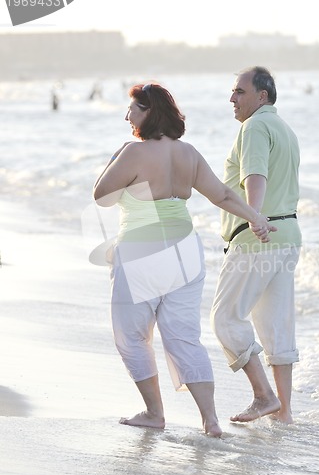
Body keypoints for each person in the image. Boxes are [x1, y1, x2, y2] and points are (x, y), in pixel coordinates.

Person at [93, 82, 276, 437]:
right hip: (185, 253)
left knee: (131, 336)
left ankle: (154, 412)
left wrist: (118, 155)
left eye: (133, 108)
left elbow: (101, 195)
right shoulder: (189, 153)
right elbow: (222, 194)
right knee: (183, 338)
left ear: (149, 113)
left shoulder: (133, 152)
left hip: (141, 254)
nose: (127, 114)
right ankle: (210, 420)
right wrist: (255, 218)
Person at [210, 66, 302, 424]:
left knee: (224, 319)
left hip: (257, 239)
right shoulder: (285, 129)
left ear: (262, 95)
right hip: (287, 238)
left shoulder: (255, 126)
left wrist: (254, 216)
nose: (232, 98)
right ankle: (285, 415)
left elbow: (256, 176)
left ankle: (264, 397)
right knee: (276, 327)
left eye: (239, 92)